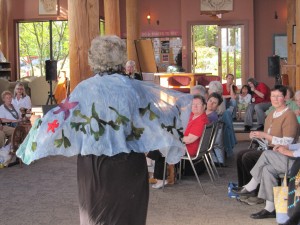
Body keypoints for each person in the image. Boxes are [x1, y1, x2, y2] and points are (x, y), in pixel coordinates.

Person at [17, 35, 192, 225]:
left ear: (94, 59)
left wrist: (37, 125)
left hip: (95, 168)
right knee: (130, 218)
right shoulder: (133, 88)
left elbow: (61, 118)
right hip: (130, 166)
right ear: (122, 59)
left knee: (96, 218)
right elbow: (161, 115)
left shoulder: (85, 89)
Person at [234, 85, 298, 207]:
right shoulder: (271, 114)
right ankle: (245, 190)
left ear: (284, 98)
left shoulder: (289, 115)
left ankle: (254, 191)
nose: (275, 99)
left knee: (248, 157)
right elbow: (268, 135)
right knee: (241, 154)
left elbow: (288, 142)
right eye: (273, 96)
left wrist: (265, 136)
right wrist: (257, 136)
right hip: (269, 148)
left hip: (281, 153)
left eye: (279, 96)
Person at [147, 95, 209, 189]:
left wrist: (174, 138)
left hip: (189, 149)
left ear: (204, 106)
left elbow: (189, 140)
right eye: (193, 104)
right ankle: (150, 162)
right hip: (188, 145)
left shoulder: (200, 120)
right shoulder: (195, 116)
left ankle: (155, 170)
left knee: (163, 145)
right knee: (163, 139)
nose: (195, 106)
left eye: (198, 104)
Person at [235, 143, 300, 220]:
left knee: (266, 154)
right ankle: (270, 208)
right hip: (296, 160)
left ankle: (252, 186)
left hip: (297, 164)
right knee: (267, 169)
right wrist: (287, 147)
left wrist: (287, 152)